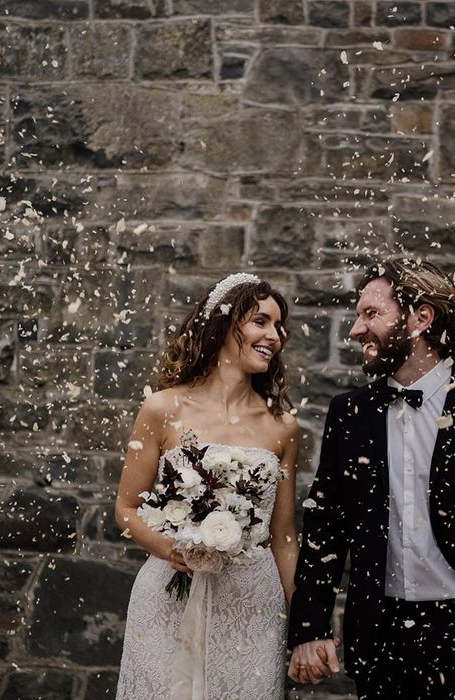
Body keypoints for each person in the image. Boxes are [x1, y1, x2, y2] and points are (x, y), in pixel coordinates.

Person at [288, 258, 455, 699]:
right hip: (381, 635)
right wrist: (309, 627)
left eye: (371, 314)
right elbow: (327, 529)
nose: (356, 331)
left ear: (421, 317)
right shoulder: (350, 413)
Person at [115, 273, 299, 700]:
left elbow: (284, 538)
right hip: (168, 597)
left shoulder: (283, 427)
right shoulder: (162, 408)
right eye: (260, 322)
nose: (274, 336)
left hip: (251, 606)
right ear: (222, 325)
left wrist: (304, 623)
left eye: (278, 327)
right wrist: (170, 550)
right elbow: (125, 509)